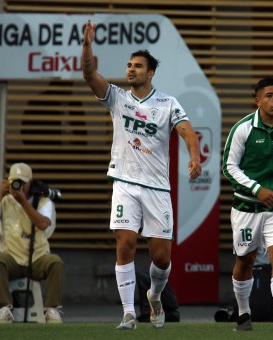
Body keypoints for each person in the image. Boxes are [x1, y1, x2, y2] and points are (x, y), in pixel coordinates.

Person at [81, 20, 202, 330]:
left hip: (158, 188)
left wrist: (194, 157)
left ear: (150, 73)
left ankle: (155, 295)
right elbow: (89, 75)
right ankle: (128, 314)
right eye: (129, 65)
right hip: (124, 183)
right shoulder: (117, 98)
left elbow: (187, 132)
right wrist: (87, 47)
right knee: (125, 245)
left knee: (161, 258)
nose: (131, 69)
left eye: (137, 66)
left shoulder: (167, 103)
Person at [222, 77, 273, 331]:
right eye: (270, 96)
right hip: (247, 207)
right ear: (258, 100)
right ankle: (243, 313)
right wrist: (257, 189)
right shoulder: (243, 128)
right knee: (245, 261)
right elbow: (228, 167)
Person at [0, 163, 64, 324]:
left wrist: (24, 202)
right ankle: (4, 308)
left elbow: (44, 224)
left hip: (37, 257)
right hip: (12, 257)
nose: (19, 187)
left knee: (55, 263)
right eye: (15, 182)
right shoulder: (4, 201)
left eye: (22, 182)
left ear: (30, 182)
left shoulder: (43, 201)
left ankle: (52, 309)